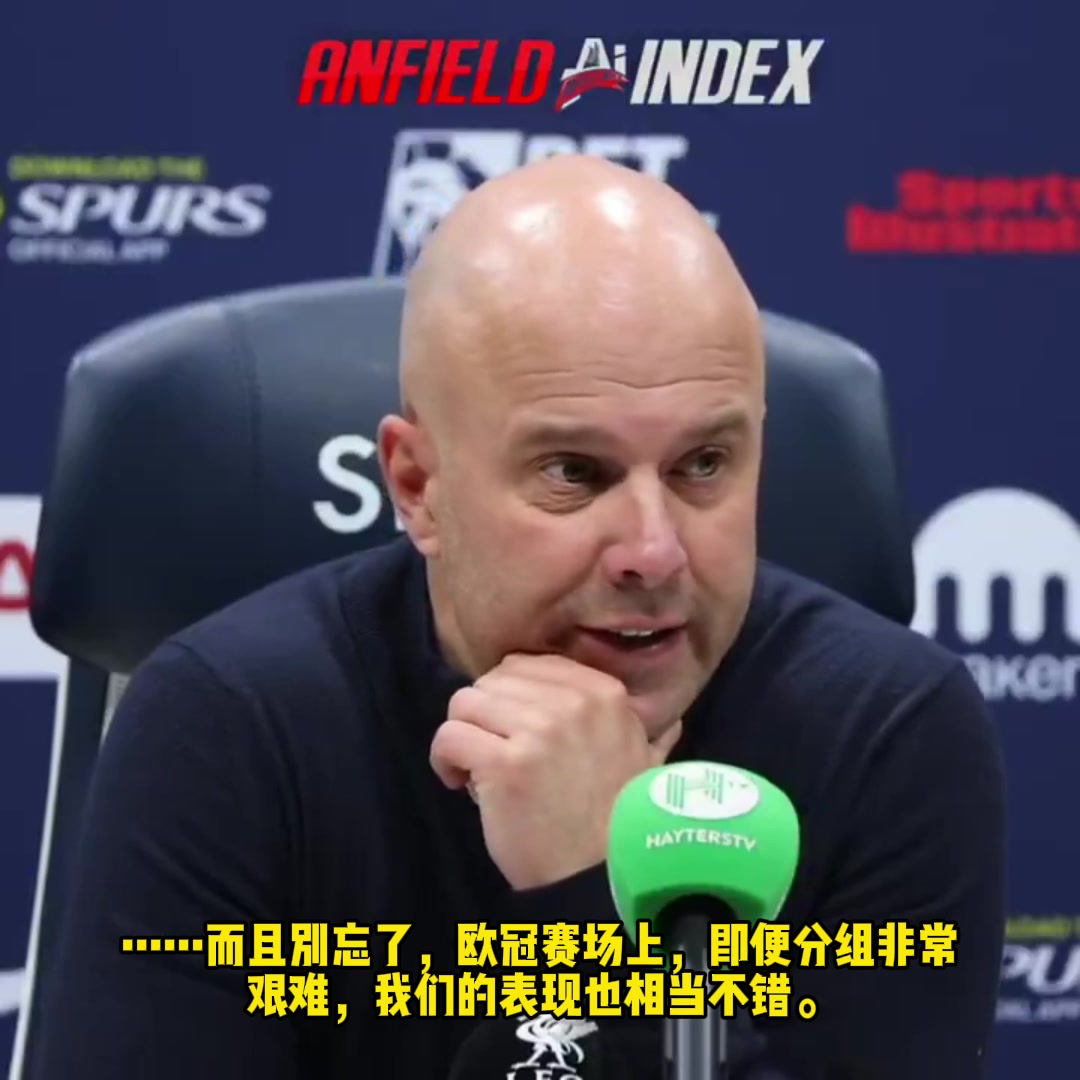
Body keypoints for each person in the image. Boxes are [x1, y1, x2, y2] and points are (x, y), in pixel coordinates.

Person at [31, 155, 1005, 1080]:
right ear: (418, 486)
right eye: (574, 473)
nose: (654, 551)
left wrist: (588, 889)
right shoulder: (228, 729)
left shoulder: (887, 730)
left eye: (704, 464)